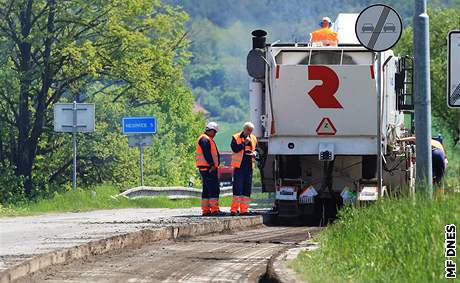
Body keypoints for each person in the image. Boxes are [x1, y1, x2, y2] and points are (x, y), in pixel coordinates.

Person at [230, 122, 258, 215]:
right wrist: (243, 143)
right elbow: (235, 148)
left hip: (249, 168)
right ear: (245, 129)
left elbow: (258, 150)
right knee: (237, 189)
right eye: (249, 130)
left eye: (251, 131)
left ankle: (244, 210)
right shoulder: (236, 137)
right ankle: (234, 210)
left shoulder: (253, 138)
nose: (250, 132)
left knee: (247, 189)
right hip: (239, 168)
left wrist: (255, 153)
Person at [196, 122, 221, 216]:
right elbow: (207, 153)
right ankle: (215, 210)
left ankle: (206, 210)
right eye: (214, 132)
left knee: (206, 190)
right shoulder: (205, 139)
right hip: (208, 168)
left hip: (206, 168)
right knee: (213, 189)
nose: (215, 134)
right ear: (210, 131)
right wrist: (212, 165)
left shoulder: (205, 139)